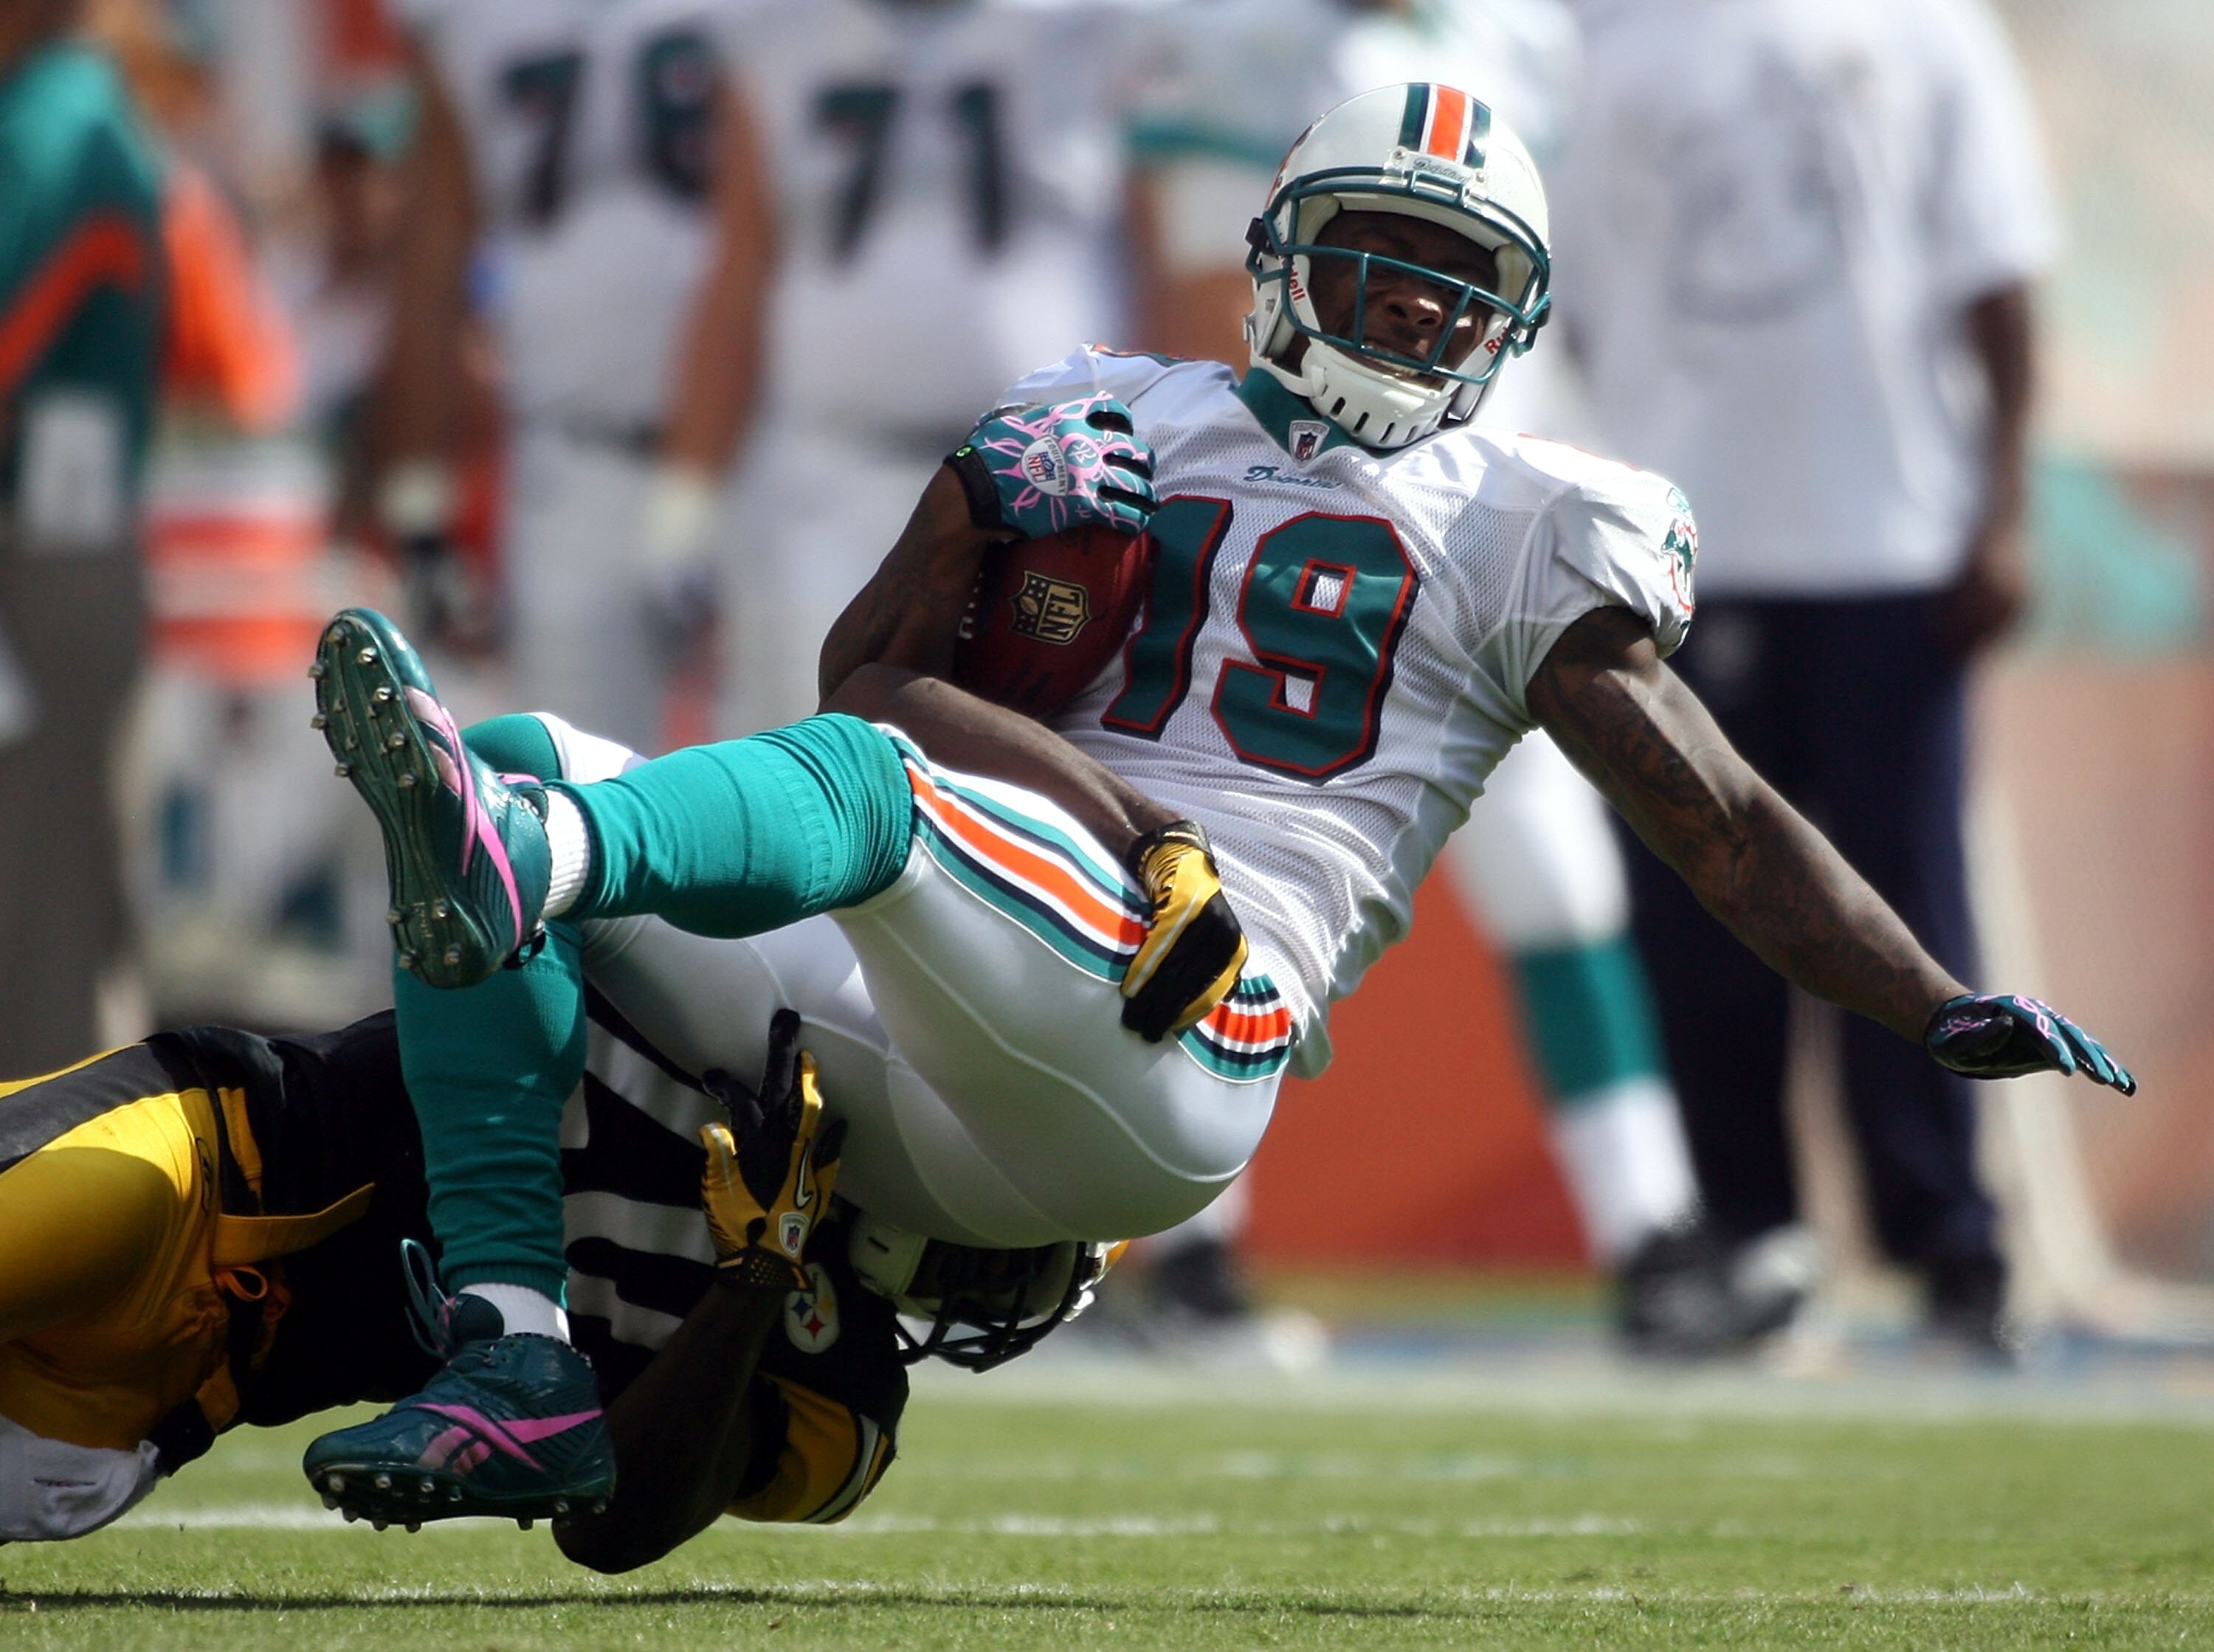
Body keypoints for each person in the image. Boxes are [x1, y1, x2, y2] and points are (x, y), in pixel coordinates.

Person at [300, 83, 2132, 1527]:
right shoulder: (1105, 408)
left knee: (667, 816)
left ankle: (523, 859)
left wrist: (1920, 994)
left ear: (1515, 317)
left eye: (1457, 273)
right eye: (1379, 250)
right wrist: (969, 496)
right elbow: (859, 675)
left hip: (1190, 1013)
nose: (1414, 297)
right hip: (943, 1005)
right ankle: (518, 1349)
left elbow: (1721, 820)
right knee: (530, 752)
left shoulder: (1520, 514)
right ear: (1282, 254)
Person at [1125, 0, 1727, 1350]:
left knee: (1564, 886)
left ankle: (1651, 1232)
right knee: (1212, 877)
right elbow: (1199, 290)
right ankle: (1189, 1247)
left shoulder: (1528, 37)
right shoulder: (1236, 39)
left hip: (1487, 536)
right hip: (1318, 527)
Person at [1548, 0, 2062, 1352]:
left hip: (1888, 535)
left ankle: (1952, 1241)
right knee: (1693, 902)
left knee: (1907, 893)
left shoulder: (1928, 26)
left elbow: (1998, 278)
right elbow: (1578, 308)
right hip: (1676, 555)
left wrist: (2003, 507)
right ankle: (1751, 1232)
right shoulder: (1599, 39)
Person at [0, 954, 1104, 1558]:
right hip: (207, 1157)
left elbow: (612, 1525)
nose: (986, 1292)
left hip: (169, 1399)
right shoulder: (765, 987)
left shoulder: (841, 1387)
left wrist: (757, 1279)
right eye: (1010, 1261)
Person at [666, 0, 1169, 740]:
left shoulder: (1100, 32)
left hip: (1051, 490)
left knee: (1021, 772)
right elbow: (739, 272)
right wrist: (687, 501)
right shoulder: (779, 38)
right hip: (834, 476)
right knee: (812, 754)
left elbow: (1164, 268)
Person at [376, 0, 738, 752]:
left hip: (746, 458)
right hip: (590, 456)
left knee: (794, 808)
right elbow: (431, 257)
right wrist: (418, 503)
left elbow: (429, 264)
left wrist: (419, 503)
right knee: (572, 808)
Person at [0, 1, 165, 1079]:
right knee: (70, 915)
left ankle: (68, 1222)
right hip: (68, 554)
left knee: (41, 938)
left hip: (46, 564)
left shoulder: (48, 121)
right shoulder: (74, 110)